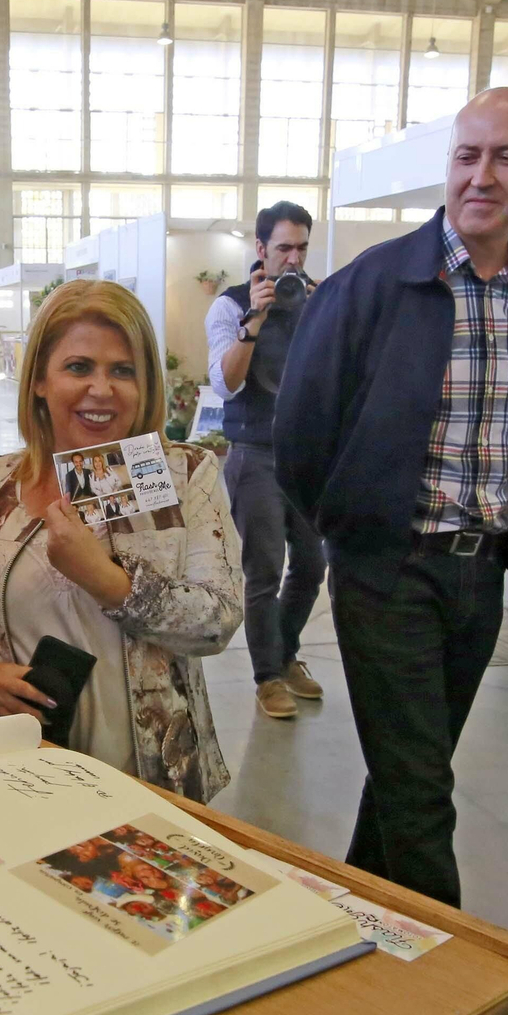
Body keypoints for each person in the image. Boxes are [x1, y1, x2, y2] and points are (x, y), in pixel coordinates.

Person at [274, 87, 508, 907]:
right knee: (422, 797)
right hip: (390, 573)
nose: (482, 176)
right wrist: (354, 534)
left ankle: (354, 921)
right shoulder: (373, 284)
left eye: (506, 156)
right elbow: (300, 434)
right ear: (449, 165)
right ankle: (465, 993)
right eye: (467, 155)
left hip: (481, 579)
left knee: (409, 775)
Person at [0, 279, 243, 801]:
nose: (102, 389)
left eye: (123, 370)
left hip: (149, 784)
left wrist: (109, 582)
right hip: (12, 777)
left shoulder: (182, 477)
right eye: (79, 367)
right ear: (40, 379)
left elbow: (217, 621)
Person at [204, 201, 327, 721]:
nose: (294, 260)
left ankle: (286, 653)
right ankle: (267, 677)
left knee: (313, 565)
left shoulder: (318, 299)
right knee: (264, 570)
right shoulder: (230, 307)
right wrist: (256, 318)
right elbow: (225, 383)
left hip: (308, 454)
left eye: (301, 248)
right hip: (254, 454)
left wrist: (325, 315)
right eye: (284, 249)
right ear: (260, 250)